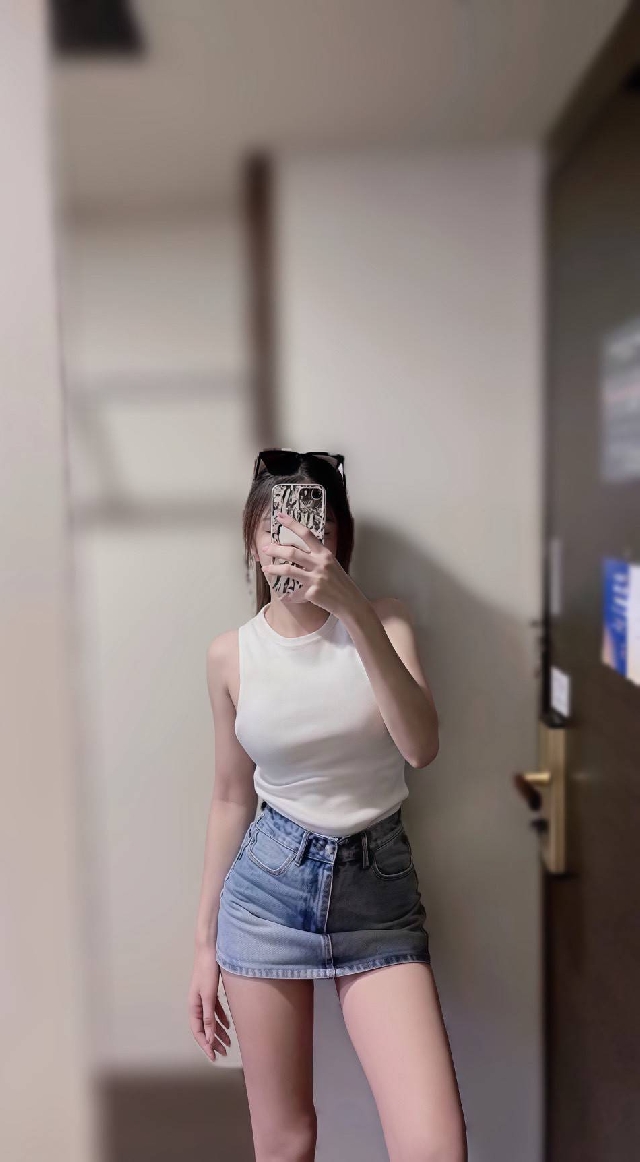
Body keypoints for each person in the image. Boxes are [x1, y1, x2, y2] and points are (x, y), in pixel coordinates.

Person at [189, 449, 467, 1162]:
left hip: (378, 900)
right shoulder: (230, 656)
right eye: (274, 528)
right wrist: (203, 946)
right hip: (266, 897)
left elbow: (421, 747)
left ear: (340, 538)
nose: (294, 543)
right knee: (286, 1142)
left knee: (433, 1146)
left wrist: (349, 607)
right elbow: (230, 796)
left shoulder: (386, 623)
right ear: (252, 542)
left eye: (315, 527)